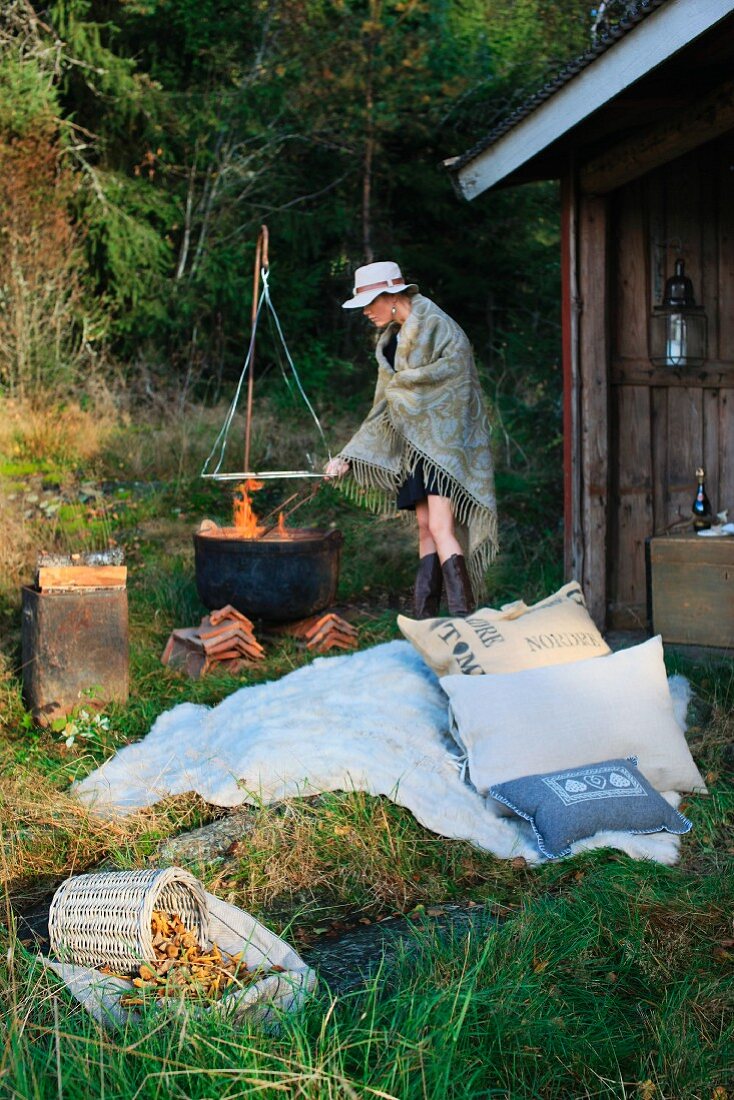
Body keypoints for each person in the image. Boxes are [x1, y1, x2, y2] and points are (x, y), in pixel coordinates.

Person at [325, 260, 497, 618]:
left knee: (439, 524)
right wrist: (348, 455)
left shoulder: (437, 325)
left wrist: (405, 385)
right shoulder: (389, 339)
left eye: (370, 304)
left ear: (391, 297)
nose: (367, 314)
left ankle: (464, 618)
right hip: (414, 448)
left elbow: (456, 376)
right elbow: (382, 405)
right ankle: (427, 619)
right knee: (424, 528)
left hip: (442, 445)